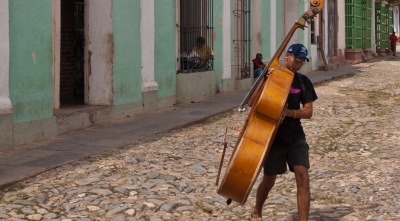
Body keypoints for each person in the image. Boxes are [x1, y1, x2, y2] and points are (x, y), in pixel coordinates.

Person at [251, 43, 318, 221]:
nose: (299, 64)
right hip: (273, 138)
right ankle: (257, 210)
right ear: (287, 56)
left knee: (302, 175)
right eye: (297, 60)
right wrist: (265, 79)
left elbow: (309, 111)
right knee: (269, 180)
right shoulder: (271, 76)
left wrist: (288, 112)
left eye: (302, 62)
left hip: (295, 137)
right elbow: (253, 102)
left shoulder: (303, 82)